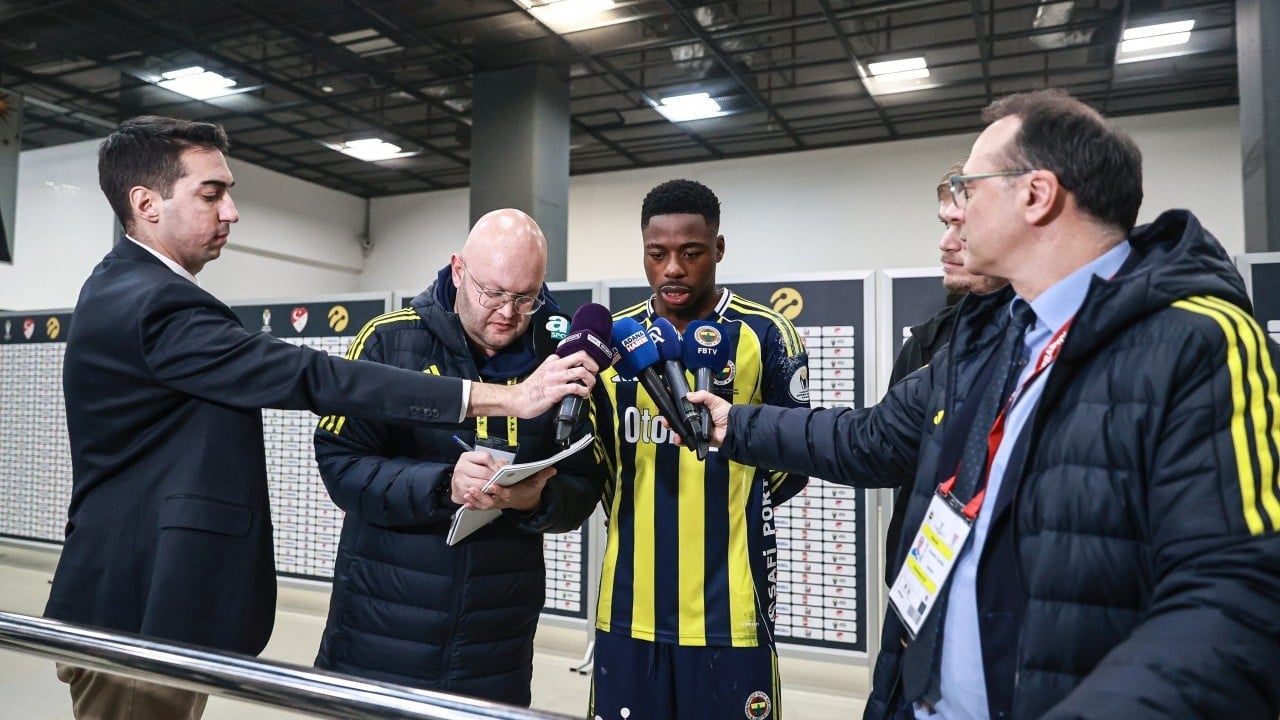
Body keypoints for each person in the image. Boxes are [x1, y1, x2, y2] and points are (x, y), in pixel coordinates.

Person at [692, 89, 1280, 720]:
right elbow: (873, 439)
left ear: (1037, 195)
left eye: (969, 187)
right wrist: (733, 422)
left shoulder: (1197, 342)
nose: (957, 210)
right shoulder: (994, 336)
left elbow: (1237, 600)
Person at [44, 116, 598, 720]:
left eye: (526, 297)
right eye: (212, 193)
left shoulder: (132, 290)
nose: (231, 212)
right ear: (147, 203)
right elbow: (316, 379)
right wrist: (503, 400)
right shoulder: (155, 305)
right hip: (139, 606)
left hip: (163, 601)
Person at [310, 208, 605, 706]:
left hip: (497, 644)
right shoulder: (389, 341)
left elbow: (584, 480)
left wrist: (536, 501)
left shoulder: (561, 357)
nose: (508, 313)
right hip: (380, 629)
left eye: (525, 298)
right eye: (492, 293)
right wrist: (442, 484)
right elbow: (342, 463)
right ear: (458, 269)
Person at [588, 179, 810, 720]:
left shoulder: (768, 335)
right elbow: (603, 468)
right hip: (628, 608)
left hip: (730, 611)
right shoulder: (616, 339)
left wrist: (730, 498)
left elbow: (793, 462)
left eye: (690, 253)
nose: (672, 270)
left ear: (718, 249)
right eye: (656, 254)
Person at [881, 161, 1009, 580]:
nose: (946, 244)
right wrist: (738, 424)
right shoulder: (928, 343)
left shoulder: (1053, 337)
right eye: (947, 224)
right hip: (924, 570)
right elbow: (881, 445)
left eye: (963, 226)